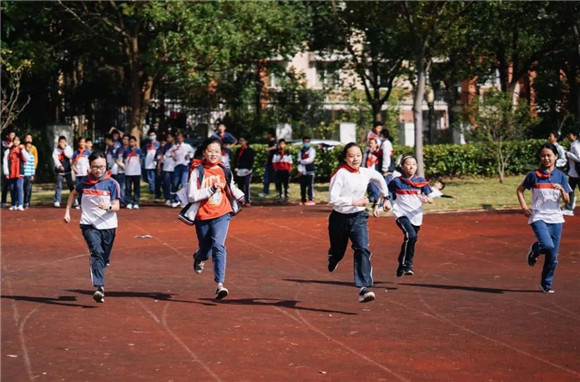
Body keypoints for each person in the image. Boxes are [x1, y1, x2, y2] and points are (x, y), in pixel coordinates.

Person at [327, 142, 391, 303]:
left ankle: (364, 288)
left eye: (358, 155)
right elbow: (332, 199)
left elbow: (379, 179)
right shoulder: (340, 174)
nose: (355, 159)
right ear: (345, 158)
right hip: (339, 219)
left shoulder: (365, 172)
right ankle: (333, 257)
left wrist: (386, 197)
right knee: (338, 251)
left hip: (359, 218)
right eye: (351, 156)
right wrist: (354, 201)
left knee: (362, 248)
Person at [187, 138, 245, 300]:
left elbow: (231, 186)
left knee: (219, 246)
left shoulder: (224, 169)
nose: (213, 154)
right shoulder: (197, 171)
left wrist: (241, 196)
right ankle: (198, 257)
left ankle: (220, 284)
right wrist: (210, 189)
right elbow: (192, 196)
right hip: (202, 216)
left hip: (222, 213)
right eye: (210, 151)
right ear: (204, 152)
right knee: (206, 251)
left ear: (221, 153)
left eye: (217, 152)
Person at [63, 151, 121, 303]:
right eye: (95, 167)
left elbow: (117, 206)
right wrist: (67, 212)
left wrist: (108, 206)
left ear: (106, 166)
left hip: (108, 225)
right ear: (90, 167)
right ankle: (99, 287)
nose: (98, 170)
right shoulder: (84, 183)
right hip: (89, 224)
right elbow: (72, 194)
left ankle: (101, 263)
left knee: (103, 256)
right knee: (96, 252)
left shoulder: (112, 183)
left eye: (101, 167)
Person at [516, 143, 571, 293]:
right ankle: (535, 249)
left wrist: (562, 191)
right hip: (538, 216)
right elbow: (519, 191)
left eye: (549, 155)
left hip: (556, 218)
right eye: (543, 155)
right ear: (540, 158)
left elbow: (567, 201)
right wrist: (524, 207)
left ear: (555, 157)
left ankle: (546, 285)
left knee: (552, 256)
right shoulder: (533, 175)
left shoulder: (561, 176)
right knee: (547, 245)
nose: (546, 158)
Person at [388, 155, 434, 278]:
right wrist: (386, 201)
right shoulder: (397, 181)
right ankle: (407, 265)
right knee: (411, 235)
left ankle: (401, 262)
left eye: (414, 164)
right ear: (402, 167)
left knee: (411, 239)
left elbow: (429, 196)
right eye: (408, 164)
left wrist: (428, 199)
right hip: (401, 213)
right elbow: (387, 192)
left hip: (416, 215)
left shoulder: (421, 181)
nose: (411, 166)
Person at [3, 136, 27, 211]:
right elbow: (5, 161)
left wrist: (22, 149)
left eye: (18, 140)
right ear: (12, 142)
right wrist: (6, 172)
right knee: (12, 188)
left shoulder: (21, 150)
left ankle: (20, 204)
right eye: (15, 140)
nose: (16, 142)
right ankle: (13, 204)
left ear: (19, 142)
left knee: (19, 188)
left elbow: (27, 158)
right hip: (11, 172)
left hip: (19, 172)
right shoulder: (8, 151)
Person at [172, 132, 195, 207]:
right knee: (175, 183)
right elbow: (168, 153)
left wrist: (188, 155)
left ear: (183, 138)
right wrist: (172, 156)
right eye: (178, 137)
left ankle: (183, 201)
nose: (179, 138)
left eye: (181, 137)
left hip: (185, 165)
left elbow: (193, 152)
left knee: (183, 183)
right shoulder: (174, 147)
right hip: (177, 166)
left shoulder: (187, 146)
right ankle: (176, 200)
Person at [52, 136, 74, 208]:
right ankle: (57, 200)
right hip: (60, 171)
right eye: (61, 142)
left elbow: (70, 155)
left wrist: (64, 148)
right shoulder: (56, 150)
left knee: (70, 186)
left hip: (67, 170)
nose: (62, 143)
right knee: (59, 186)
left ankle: (74, 200)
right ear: (58, 142)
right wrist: (59, 166)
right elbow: (55, 159)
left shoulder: (68, 148)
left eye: (64, 142)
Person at [122, 136, 143, 209]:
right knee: (128, 188)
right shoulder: (126, 151)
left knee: (136, 188)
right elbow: (123, 159)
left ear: (135, 142)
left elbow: (141, 159)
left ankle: (136, 202)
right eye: (130, 141)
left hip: (137, 172)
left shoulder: (139, 151)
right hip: (128, 172)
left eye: (133, 141)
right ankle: (129, 202)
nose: (132, 143)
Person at [233, 136, 255, 206]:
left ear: (246, 141)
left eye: (242, 141)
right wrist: (236, 167)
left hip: (247, 170)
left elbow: (251, 160)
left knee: (247, 185)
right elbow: (236, 159)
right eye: (240, 141)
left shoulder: (250, 150)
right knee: (240, 185)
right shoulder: (238, 150)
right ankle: (241, 200)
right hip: (240, 169)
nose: (241, 142)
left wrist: (249, 168)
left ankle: (248, 200)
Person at [563, 131, 580, 216]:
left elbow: (579, 158)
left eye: (569, 134)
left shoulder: (576, 145)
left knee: (570, 189)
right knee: (570, 189)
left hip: (577, 172)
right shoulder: (574, 144)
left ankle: (569, 208)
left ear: (575, 136)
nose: (568, 136)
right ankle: (569, 207)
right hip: (574, 172)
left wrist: (568, 153)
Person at [363, 137, 382, 208]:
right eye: (369, 143)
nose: (370, 144)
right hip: (368, 173)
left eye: (372, 143)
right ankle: (376, 203)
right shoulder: (367, 152)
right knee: (372, 190)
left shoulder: (379, 152)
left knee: (376, 190)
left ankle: (376, 203)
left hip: (376, 173)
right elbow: (364, 162)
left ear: (376, 144)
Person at [72, 137, 92, 208]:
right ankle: (79, 203)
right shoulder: (75, 153)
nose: (82, 144)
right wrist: (75, 169)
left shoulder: (88, 152)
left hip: (86, 174)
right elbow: (73, 163)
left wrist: (90, 170)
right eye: (80, 142)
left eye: (83, 142)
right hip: (79, 174)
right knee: (79, 189)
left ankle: (85, 203)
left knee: (86, 189)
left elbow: (91, 162)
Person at [272, 138, 293, 203]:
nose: (281, 145)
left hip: (286, 171)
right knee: (278, 184)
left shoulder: (288, 154)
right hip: (278, 171)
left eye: (283, 144)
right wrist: (276, 169)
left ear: (285, 145)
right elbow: (274, 162)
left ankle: (286, 196)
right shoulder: (276, 154)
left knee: (286, 184)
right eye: (280, 144)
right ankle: (279, 196)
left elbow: (290, 162)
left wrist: (289, 169)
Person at [297, 136, 316, 206]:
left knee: (310, 186)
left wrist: (301, 161)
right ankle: (303, 199)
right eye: (305, 142)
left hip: (310, 171)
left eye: (308, 142)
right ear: (303, 142)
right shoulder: (300, 151)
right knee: (302, 187)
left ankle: (311, 199)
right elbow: (298, 161)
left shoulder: (312, 150)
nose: (306, 143)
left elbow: (310, 160)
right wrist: (299, 170)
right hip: (302, 171)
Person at [144, 130, 162, 201]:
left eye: (153, 135)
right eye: (150, 135)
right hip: (148, 164)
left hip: (155, 164)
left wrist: (158, 161)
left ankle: (157, 195)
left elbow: (159, 153)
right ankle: (152, 190)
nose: (152, 136)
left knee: (156, 179)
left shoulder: (158, 144)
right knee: (150, 179)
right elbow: (145, 153)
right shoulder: (147, 145)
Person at [259, 129, 277, 197]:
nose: (267, 135)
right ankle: (265, 192)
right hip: (269, 163)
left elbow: (276, 147)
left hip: (274, 163)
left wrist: (269, 149)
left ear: (271, 134)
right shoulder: (269, 142)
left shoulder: (274, 141)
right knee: (266, 178)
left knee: (275, 178)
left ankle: (279, 192)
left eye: (268, 134)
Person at [160, 133, 177, 206]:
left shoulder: (177, 146)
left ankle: (174, 199)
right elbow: (162, 156)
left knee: (174, 184)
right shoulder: (165, 146)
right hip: (166, 167)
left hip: (175, 167)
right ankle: (167, 198)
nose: (168, 139)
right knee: (166, 183)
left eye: (169, 137)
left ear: (173, 138)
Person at [1, 130, 16, 207]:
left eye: (14, 135)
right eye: (11, 135)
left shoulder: (16, 143)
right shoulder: (4, 143)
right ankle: (3, 201)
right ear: (8, 136)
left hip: (14, 166)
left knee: (14, 185)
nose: (13, 137)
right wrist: (10, 145)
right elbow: (4, 151)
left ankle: (14, 201)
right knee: (5, 184)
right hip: (6, 165)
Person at [114, 135, 130, 207]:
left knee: (128, 187)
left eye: (127, 139)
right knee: (121, 187)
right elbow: (115, 159)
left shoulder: (131, 149)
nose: (126, 141)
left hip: (130, 171)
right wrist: (120, 164)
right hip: (121, 170)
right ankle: (122, 201)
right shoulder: (119, 149)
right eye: (124, 139)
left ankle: (128, 201)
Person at [22, 140, 36, 208]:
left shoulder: (31, 156)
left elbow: (32, 166)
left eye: (30, 147)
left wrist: (32, 174)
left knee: (28, 189)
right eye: (27, 147)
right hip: (23, 175)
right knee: (22, 189)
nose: (28, 148)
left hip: (29, 175)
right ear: (25, 147)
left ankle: (26, 202)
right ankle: (21, 202)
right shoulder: (22, 154)